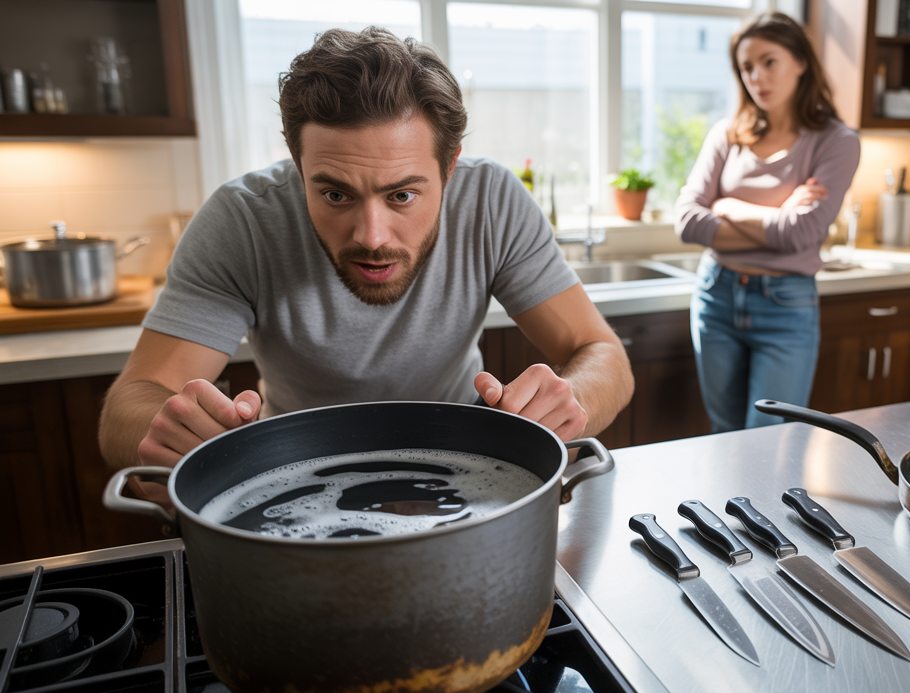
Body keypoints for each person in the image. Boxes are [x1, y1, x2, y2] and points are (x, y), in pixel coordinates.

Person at [99, 27, 633, 482]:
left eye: (402, 195)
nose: (372, 235)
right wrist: (168, 428)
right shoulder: (241, 220)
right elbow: (129, 405)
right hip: (296, 470)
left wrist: (572, 400)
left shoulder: (490, 199)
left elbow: (602, 354)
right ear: (297, 165)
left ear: (449, 171)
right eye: (335, 194)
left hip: (465, 461)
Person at [674, 12, 859, 433]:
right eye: (746, 67)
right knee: (722, 436)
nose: (757, 76)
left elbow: (802, 233)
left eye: (768, 61)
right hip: (715, 296)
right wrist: (779, 218)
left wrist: (728, 207)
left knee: (771, 441)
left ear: (801, 62)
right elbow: (687, 222)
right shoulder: (727, 134)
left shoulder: (837, 142)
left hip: (786, 306)